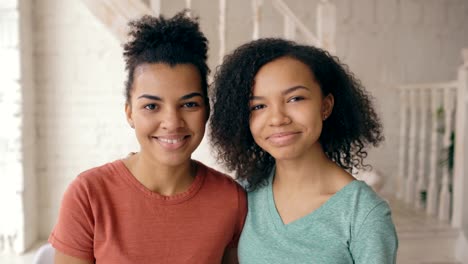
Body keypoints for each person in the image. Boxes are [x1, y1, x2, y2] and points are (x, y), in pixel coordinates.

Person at [49, 11, 247, 264]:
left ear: (207, 110)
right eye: (152, 106)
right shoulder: (88, 194)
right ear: (129, 113)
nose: (172, 122)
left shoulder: (232, 199)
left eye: (189, 104)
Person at [209, 38, 398, 263]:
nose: (277, 118)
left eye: (295, 98)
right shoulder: (245, 194)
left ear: (325, 106)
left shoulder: (364, 215)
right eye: (258, 106)